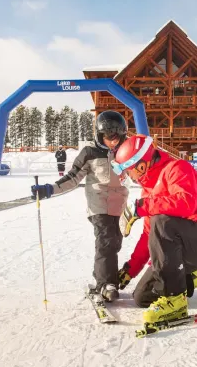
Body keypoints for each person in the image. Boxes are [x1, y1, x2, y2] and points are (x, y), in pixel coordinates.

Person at [111, 134, 197, 324]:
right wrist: (129, 270)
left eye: (128, 171)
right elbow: (149, 235)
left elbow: (186, 204)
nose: (127, 176)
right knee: (142, 297)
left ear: (141, 165)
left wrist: (143, 206)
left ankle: (175, 300)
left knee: (162, 221)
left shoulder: (177, 168)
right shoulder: (148, 190)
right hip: (183, 246)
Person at [31, 111, 129, 302]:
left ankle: (100, 274)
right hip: (99, 204)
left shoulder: (126, 152)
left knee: (114, 242)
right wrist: (49, 189)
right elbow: (73, 177)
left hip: (120, 206)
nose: (112, 142)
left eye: (116, 138)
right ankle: (106, 284)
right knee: (106, 241)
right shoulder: (90, 153)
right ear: (100, 135)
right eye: (108, 138)